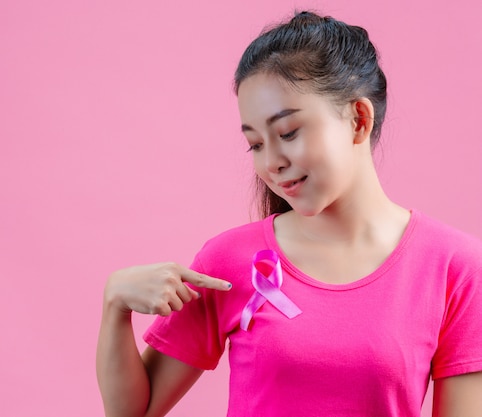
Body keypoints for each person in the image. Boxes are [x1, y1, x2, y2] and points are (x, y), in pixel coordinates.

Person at [96, 11, 482, 417]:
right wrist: (114, 306)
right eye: (256, 144)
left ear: (358, 120)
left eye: (288, 133)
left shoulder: (455, 268)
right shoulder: (228, 262)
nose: (272, 163)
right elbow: (132, 412)